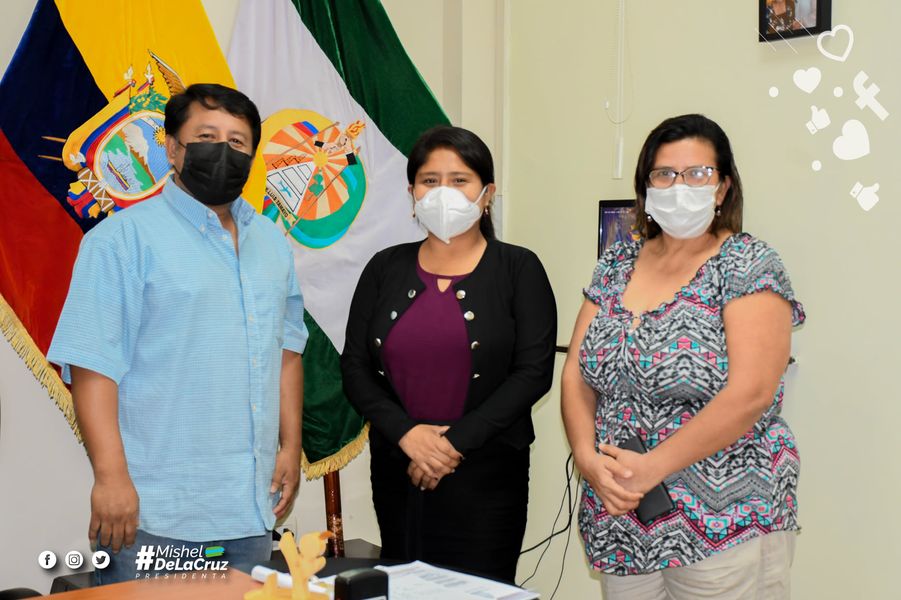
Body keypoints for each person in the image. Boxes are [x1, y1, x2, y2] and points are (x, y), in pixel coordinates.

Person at [47, 83, 308, 583]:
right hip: (153, 516)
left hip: (251, 509)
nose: (222, 151)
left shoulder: (272, 243)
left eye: (237, 141)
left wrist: (290, 447)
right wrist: (110, 478)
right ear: (172, 148)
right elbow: (93, 364)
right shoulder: (121, 240)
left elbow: (288, 350)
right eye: (206, 136)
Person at [561, 114, 805, 599]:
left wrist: (651, 467)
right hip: (621, 515)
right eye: (664, 174)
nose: (679, 186)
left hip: (724, 518)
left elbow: (752, 393)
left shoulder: (748, 263)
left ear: (723, 188)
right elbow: (576, 373)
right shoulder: (617, 262)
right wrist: (587, 460)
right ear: (646, 187)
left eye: (697, 173)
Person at [341, 125, 557, 583]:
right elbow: (355, 367)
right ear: (411, 193)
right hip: (398, 466)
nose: (444, 192)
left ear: (487, 193)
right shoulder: (384, 267)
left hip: (488, 474)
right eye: (430, 180)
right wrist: (407, 435)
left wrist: (451, 445)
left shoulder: (519, 268)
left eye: (460, 180)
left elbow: (533, 373)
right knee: (403, 584)